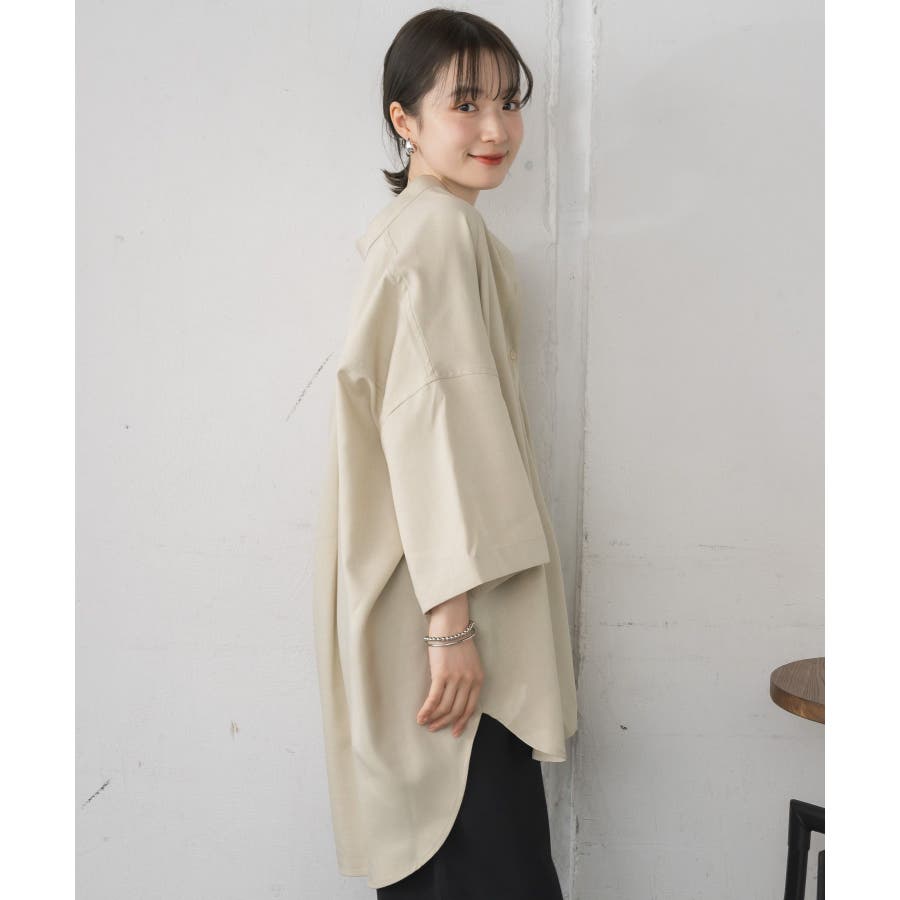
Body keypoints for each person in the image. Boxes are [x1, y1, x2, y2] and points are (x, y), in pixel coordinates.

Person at [311, 8, 578, 898]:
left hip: (423, 593)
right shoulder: (439, 232)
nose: (496, 128)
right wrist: (452, 627)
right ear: (405, 119)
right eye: (465, 104)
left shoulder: (422, 229)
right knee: (483, 868)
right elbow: (434, 429)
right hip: (446, 612)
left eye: (509, 102)